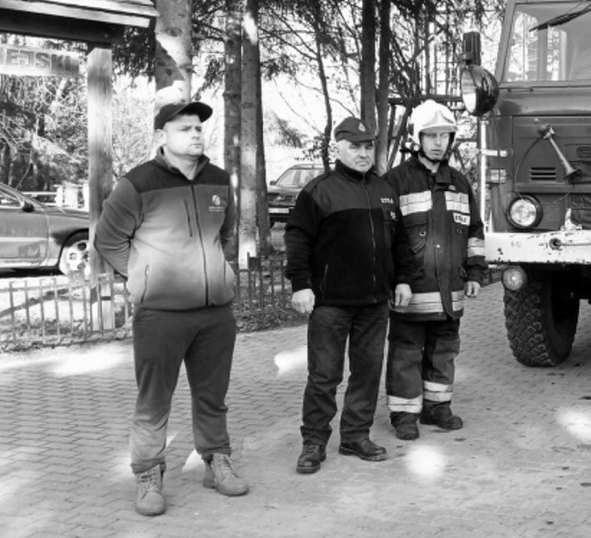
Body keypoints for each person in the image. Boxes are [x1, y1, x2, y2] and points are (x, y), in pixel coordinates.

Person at [94, 94, 249, 517]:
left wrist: (223, 272)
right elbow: (108, 240)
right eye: (185, 128)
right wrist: (146, 276)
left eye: (199, 127)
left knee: (213, 396)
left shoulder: (219, 178)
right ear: (162, 136)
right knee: (154, 399)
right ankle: (148, 473)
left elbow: (227, 234)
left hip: (215, 313)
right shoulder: (137, 183)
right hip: (160, 315)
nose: (196, 133)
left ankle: (216, 460)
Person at [285, 117, 405, 474]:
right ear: (338, 147)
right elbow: (297, 238)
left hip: (374, 304)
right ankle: (314, 443)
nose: (363, 153)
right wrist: (301, 284)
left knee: (367, 373)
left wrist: (403, 280)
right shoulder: (320, 190)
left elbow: (398, 244)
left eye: (368, 146)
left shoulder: (385, 190)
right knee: (324, 376)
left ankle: (355, 436)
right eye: (355, 146)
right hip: (330, 304)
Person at [383, 100, 487, 440]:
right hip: (411, 291)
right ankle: (404, 415)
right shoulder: (396, 182)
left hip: (449, 292)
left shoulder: (459, 183)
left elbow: (473, 230)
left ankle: (437, 408)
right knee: (406, 353)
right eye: (431, 135)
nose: (439, 142)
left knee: (444, 352)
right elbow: (388, 237)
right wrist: (397, 280)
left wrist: (474, 273)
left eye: (445, 135)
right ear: (417, 138)